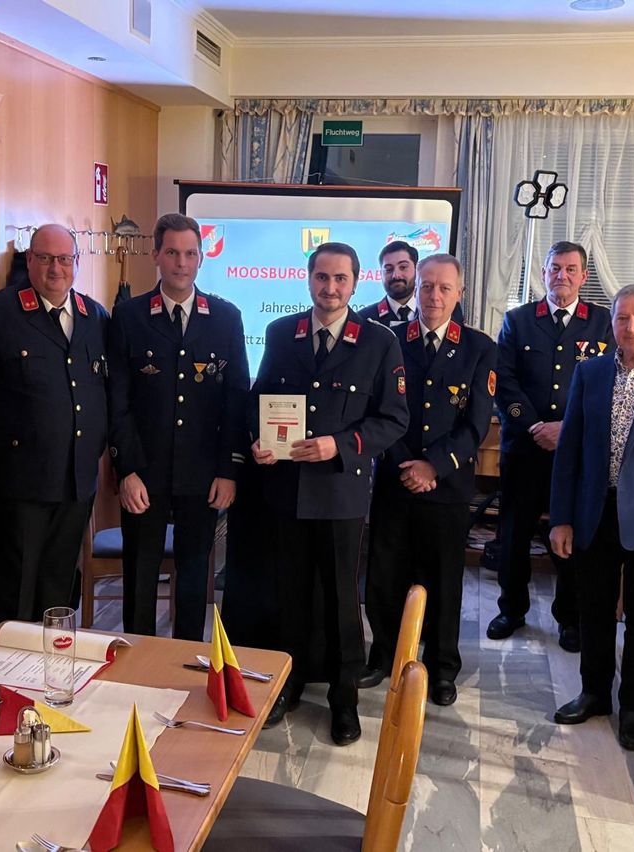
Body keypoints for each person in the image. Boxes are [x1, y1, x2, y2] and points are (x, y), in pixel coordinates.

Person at [250, 241, 409, 745]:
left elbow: (393, 419)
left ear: (355, 283)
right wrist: (257, 441)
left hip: (341, 493)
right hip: (287, 491)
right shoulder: (282, 332)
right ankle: (288, 684)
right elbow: (261, 399)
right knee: (288, 596)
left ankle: (345, 699)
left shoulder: (379, 342)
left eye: (341, 279)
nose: (330, 288)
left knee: (343, 601)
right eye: (322, 278)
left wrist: (339, 445)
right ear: (309, 280)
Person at [358, 254, 496, 705]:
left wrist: (433, 466)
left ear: (459, 294)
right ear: (415, 289)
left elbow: (475, 424)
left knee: (443, 579)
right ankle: (383, 655)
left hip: (448, 486)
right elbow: (379, 414)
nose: (433, 296)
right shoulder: (389, 339)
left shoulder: (478, 348)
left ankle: (441, 667)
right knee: (385, 572)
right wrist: (408, 466)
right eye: (427, 287)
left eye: (443, 288)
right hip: (396, 481)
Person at [108, 213, 249, 640]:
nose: (181, 262)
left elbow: (236, 400)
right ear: (156, 256)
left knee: (192, 578)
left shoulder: (225, 317)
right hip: (144, 472)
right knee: (140, 576)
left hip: (203, 473)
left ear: (202, 259)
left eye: (190, 253)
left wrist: (229, 469)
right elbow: (118, 401)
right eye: (172, 252)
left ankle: (184, 662)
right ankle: (136, 662)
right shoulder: (130, 316)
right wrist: (125, 470)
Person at [0, 224, 109, 626]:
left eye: (64, 259)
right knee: (15, 591)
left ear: (76, 263)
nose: (55, 268)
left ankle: (52, 673)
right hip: (19, 482)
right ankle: (6, 680)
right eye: (45, 258)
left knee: (59, 588)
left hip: (76, 481)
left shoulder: (94, 315)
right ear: (30, 261)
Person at [551, 283, 634, 751]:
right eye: (622, 319)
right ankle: (595, 693)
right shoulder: (592, 372)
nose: (631, 327)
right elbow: (570, 449)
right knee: (593, 610)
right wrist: (561, 517)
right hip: (594, 512)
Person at [487, 241, 614, 650]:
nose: (562, 275)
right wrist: (536, 426)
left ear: (584, 276)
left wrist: (566, 429)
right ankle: (511, 608)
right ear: (543, 273)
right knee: (514, 533)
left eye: (570, 269)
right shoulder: (518, 320)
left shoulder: (603, 323)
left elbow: (609, 386)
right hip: (523, 449)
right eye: (554, 268)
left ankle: (569, 618)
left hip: (575, 455)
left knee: (571, 535)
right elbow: (503, 382)